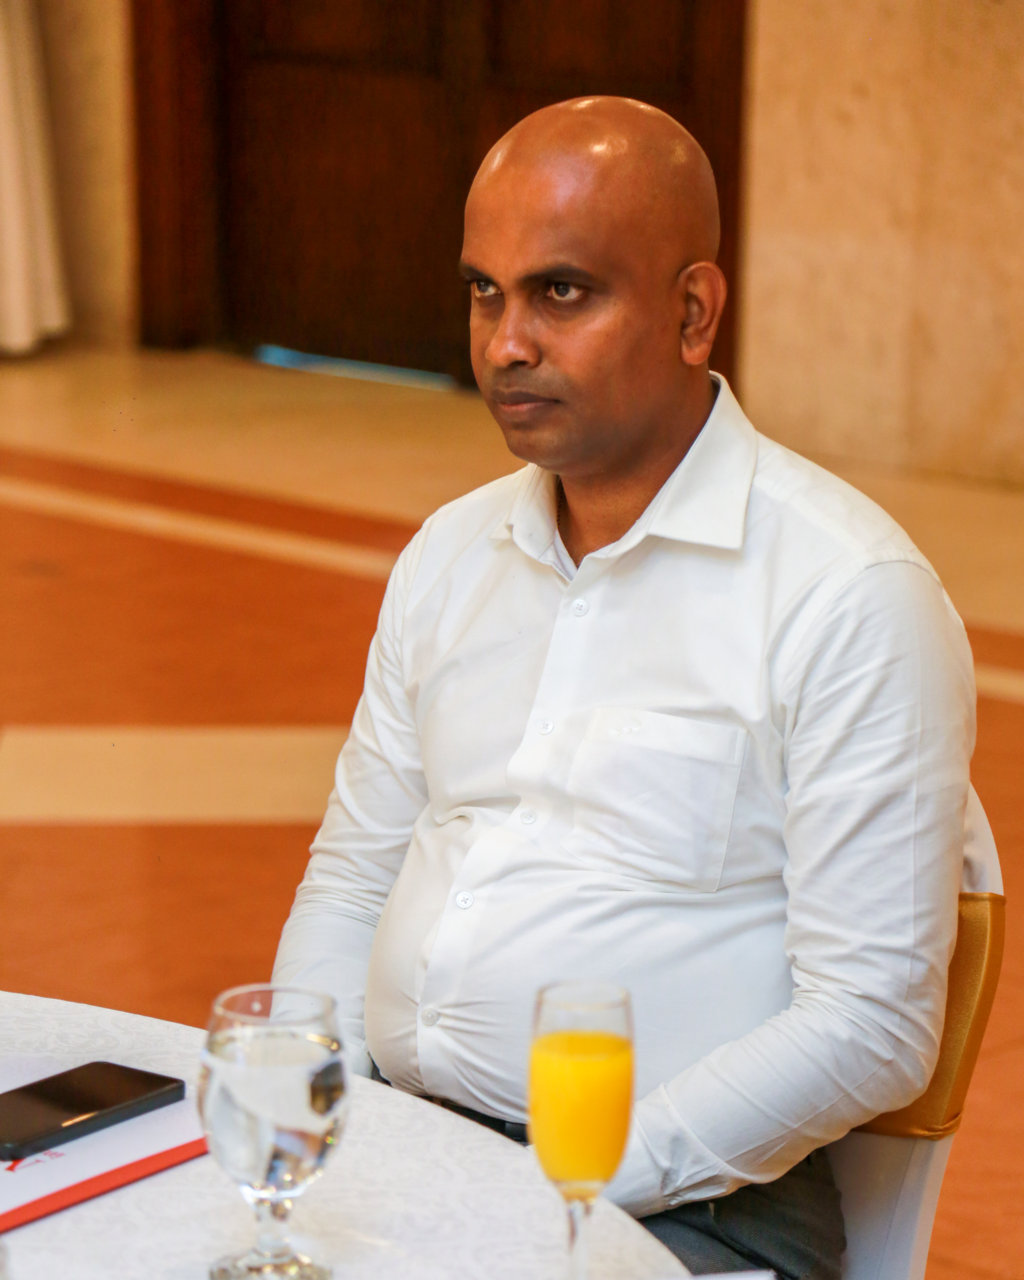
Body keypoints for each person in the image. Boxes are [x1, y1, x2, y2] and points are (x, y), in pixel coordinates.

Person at [273, 96, 996, 1278]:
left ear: (693, 310)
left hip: (684, 1209)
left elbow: (869, 1021)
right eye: (484, 291)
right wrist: (319, 1115)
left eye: (560, 292)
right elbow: (353, 878)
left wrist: (562, 1183)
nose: (506, 342)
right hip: (413, 1157)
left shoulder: (848, 595)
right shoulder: (448, 555)